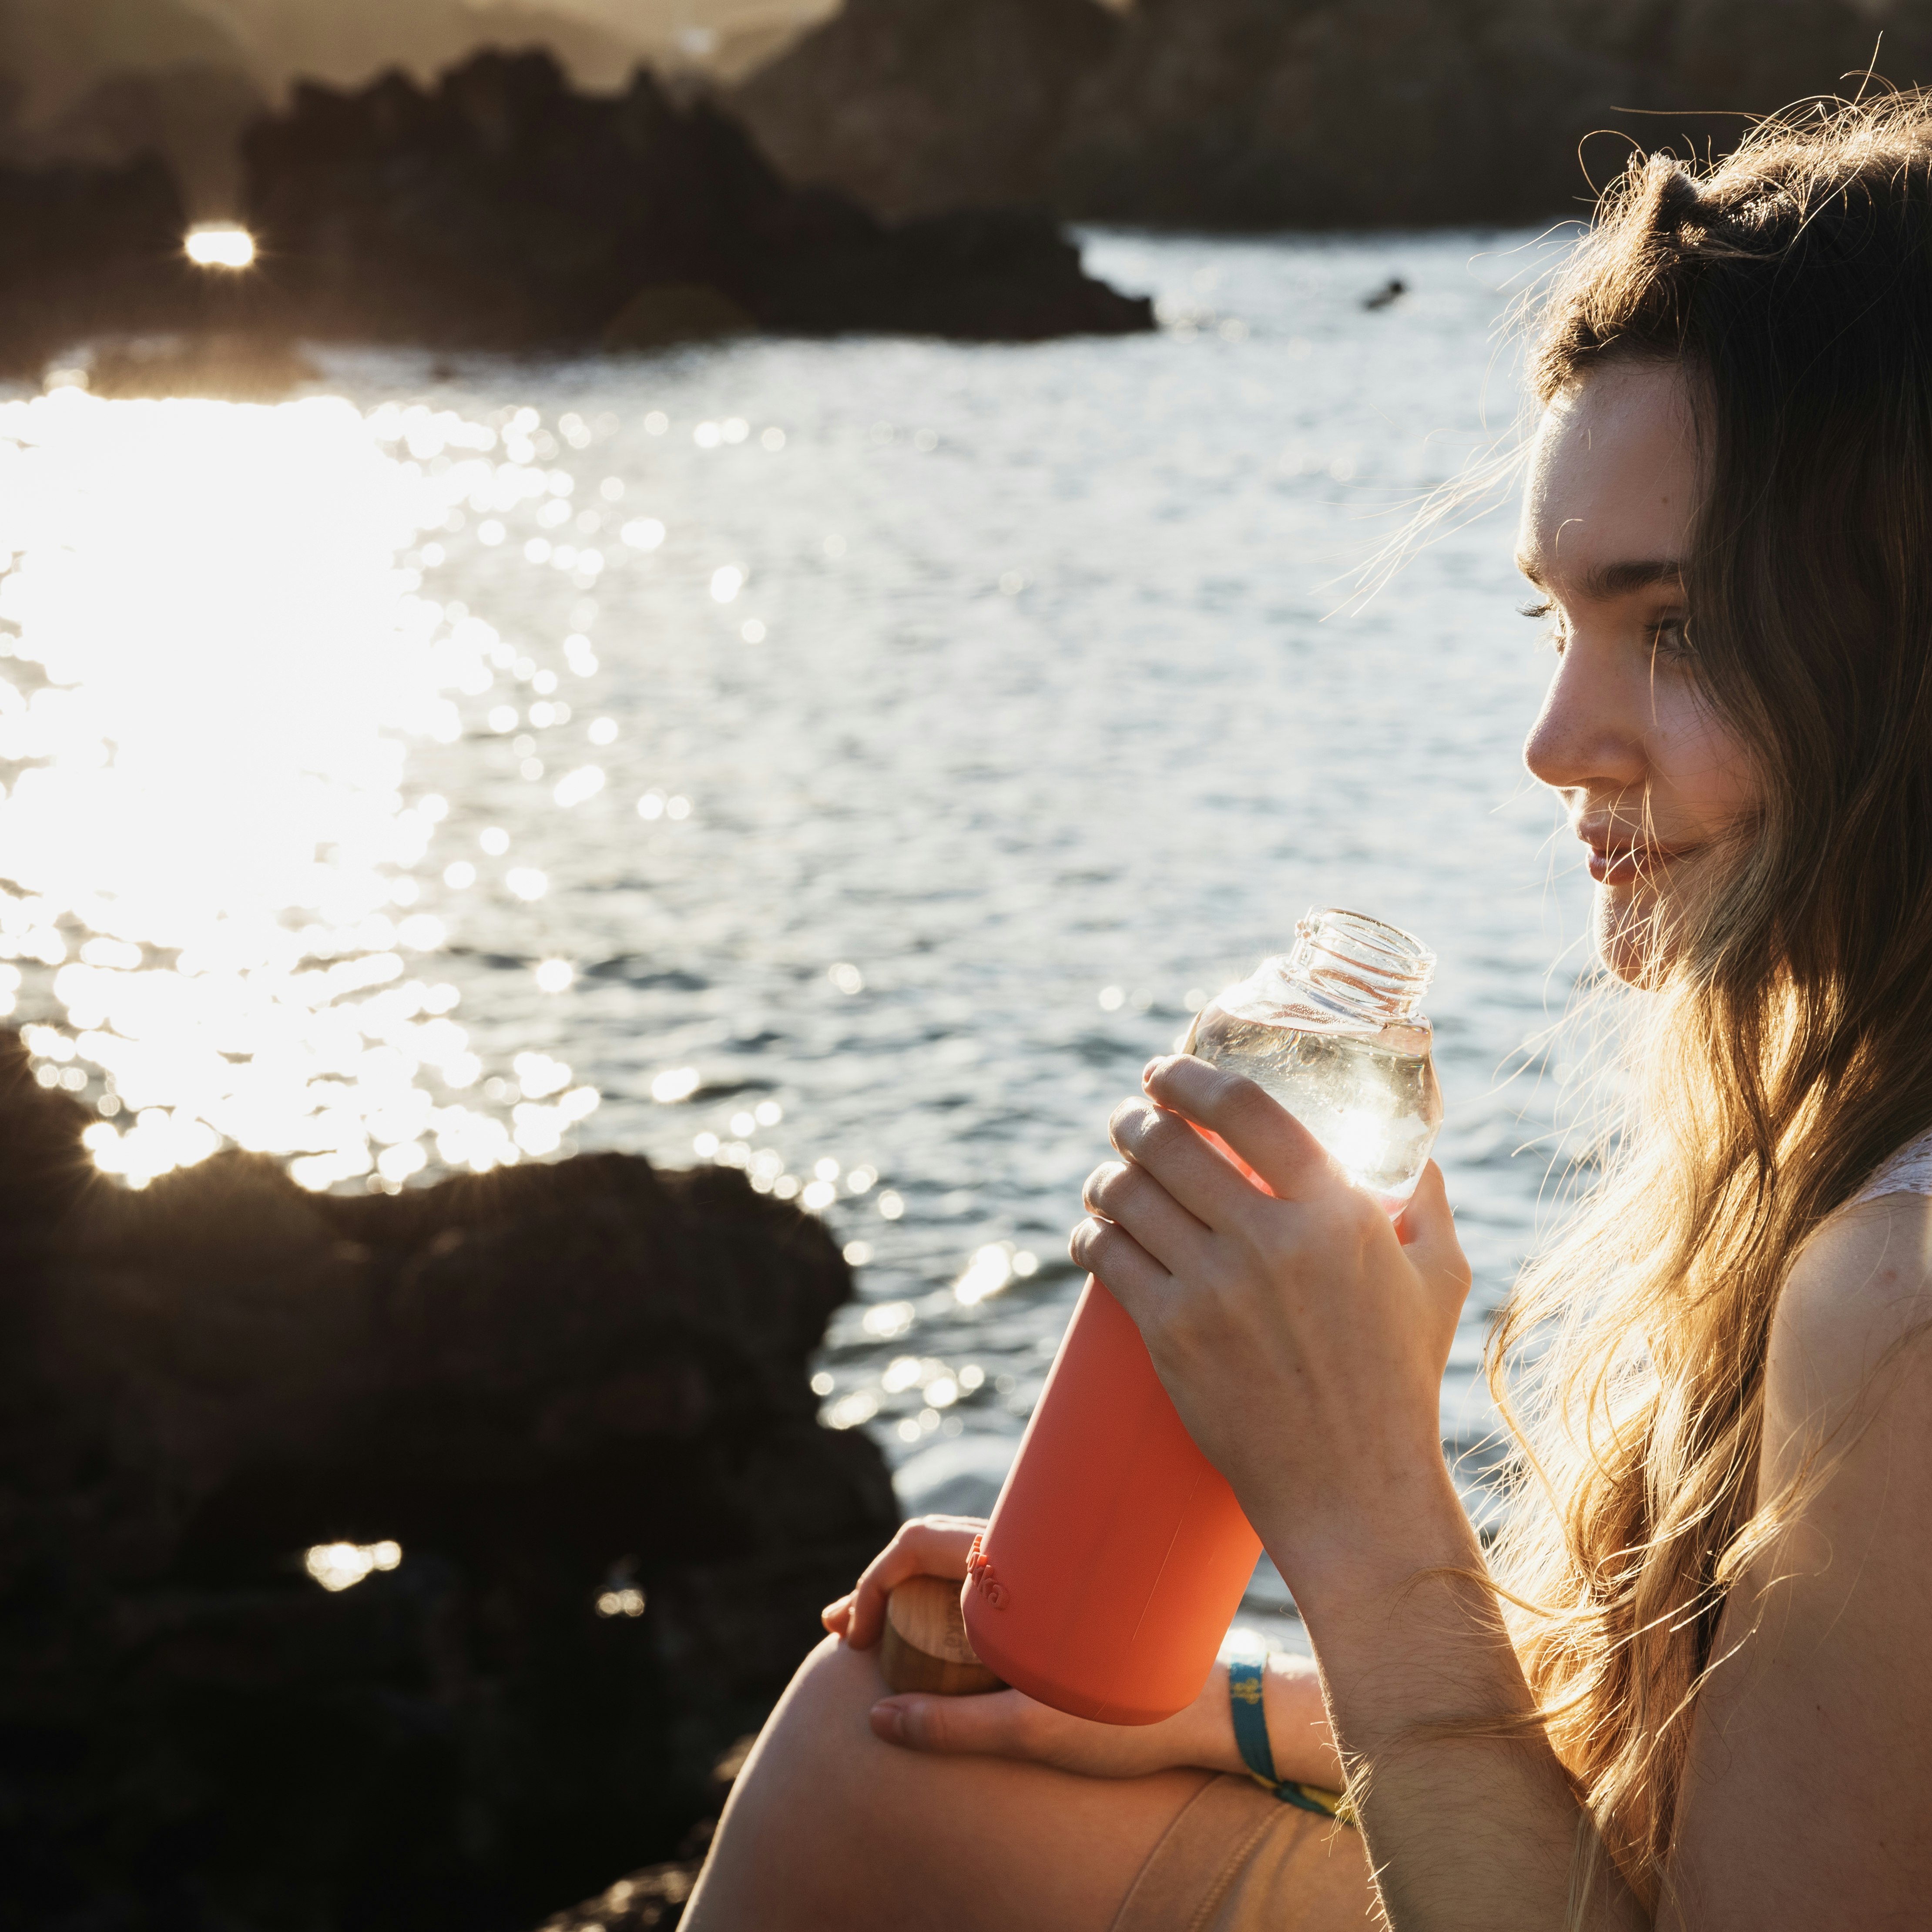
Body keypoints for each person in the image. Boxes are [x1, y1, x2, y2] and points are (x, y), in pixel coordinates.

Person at [683, 94, 1932, 1931]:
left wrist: (1361, 1508)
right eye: (1556, 624)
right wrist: (1243, 1704)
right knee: (891, 1740)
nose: (1551, 743)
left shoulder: (1897, 1305)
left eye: (1671, 626)